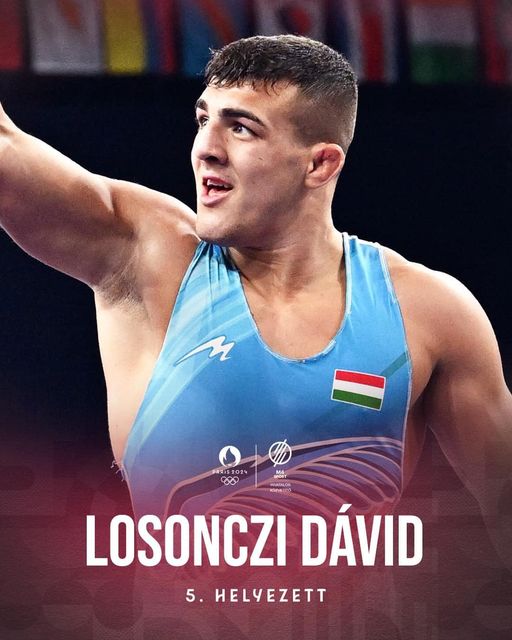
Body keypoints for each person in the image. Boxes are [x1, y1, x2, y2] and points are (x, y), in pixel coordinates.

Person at [1, 34, 511, 633]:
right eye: (203, 120)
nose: (206, 149)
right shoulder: (149, 258)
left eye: (240, 128)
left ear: (320, 164)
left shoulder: (427, 312)